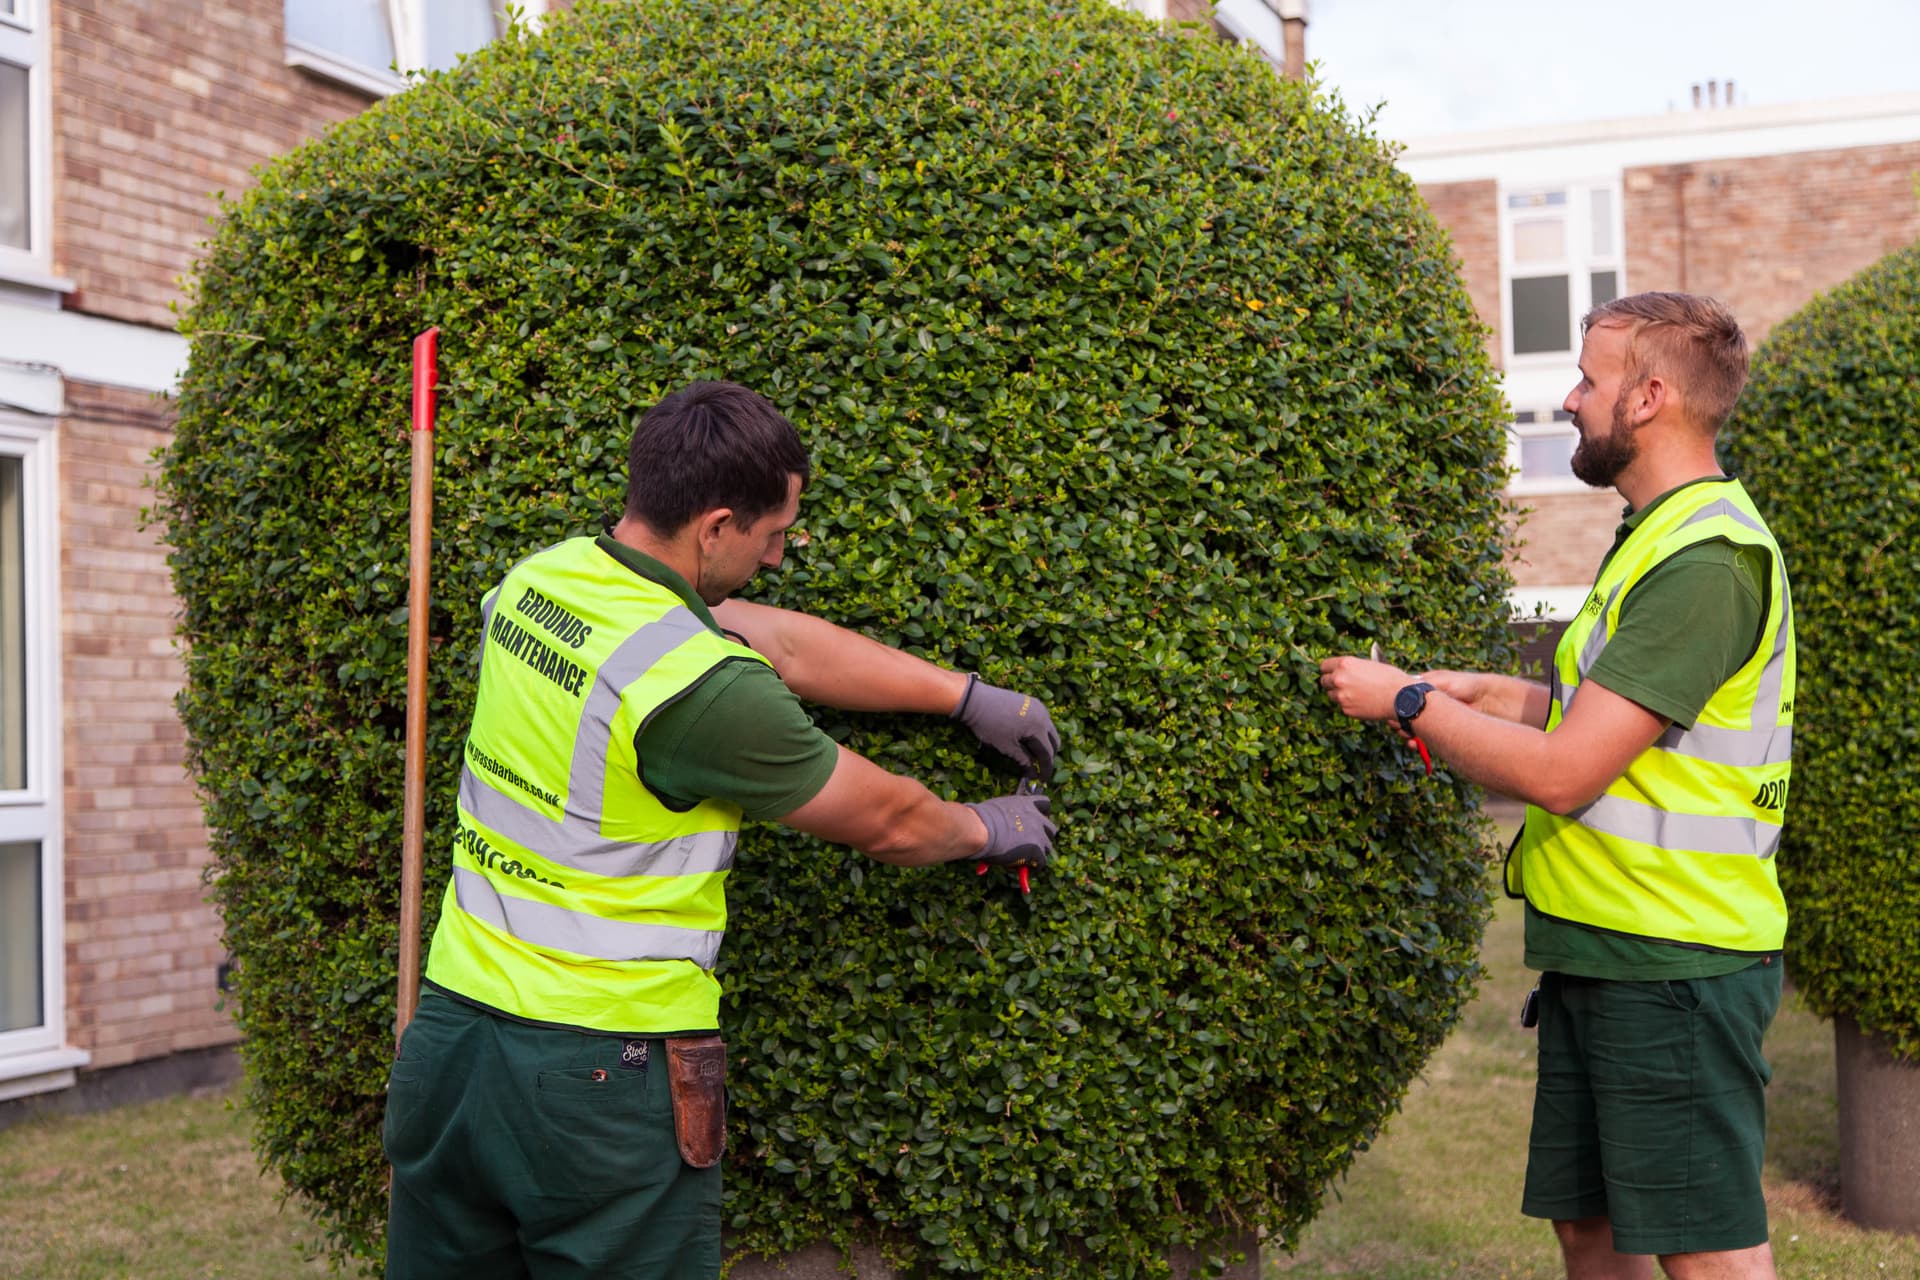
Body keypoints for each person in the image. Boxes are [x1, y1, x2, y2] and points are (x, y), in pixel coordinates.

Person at [383, 380, 1061, 1279]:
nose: (779, 557)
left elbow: (772, 643)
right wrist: (986, 826)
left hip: (452, 1044)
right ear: (714, 527)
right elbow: (890, 820)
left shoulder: (539, 581)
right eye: (773, 534)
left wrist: (958, 695)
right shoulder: (698, 693)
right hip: (593, 1078)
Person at [1319, 292, 1793, 1280]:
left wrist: (1407, 701)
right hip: (1612, 945)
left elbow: (1572, 773)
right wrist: (1486, 691)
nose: (1570, 398)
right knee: (1593, 1226)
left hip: (1676, 957)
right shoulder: (1657, 535)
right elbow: (1611, 719)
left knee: (1707, 1248)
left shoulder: (1706, 561)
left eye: (1589, 377)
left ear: (1651, 395)